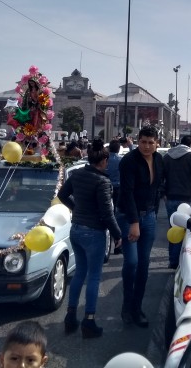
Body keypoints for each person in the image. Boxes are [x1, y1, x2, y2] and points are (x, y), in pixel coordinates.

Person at [58, 139, 122, 337]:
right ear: (104, 160)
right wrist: (118, 234)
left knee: (79, 274)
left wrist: (76, 209)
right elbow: (107, 212)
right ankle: (89, 320)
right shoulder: (102, 181)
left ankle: (70, 316)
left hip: (76, 228)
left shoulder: (77, 174)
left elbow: (62, 194)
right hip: (94, 231)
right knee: (94, 277)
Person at [117, 124, 163, 327]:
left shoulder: (160, 160)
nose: (146, 146)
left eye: (150, 143)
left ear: (157, 144)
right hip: (129, 217)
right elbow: (126, 193)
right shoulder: (129, 161)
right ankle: (126, 307)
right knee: (132, 263)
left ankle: (137, 308)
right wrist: (134, 222)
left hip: (150, 216)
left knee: (144, 265)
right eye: (143, 142)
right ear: (138, 141)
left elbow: (159, 186)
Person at [161, 134, 191, 269]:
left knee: (173, 228)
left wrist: (163, 193)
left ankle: (172, 261)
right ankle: (182, 262)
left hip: (170, 197)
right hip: (186, 198)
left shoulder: (167, 156)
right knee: (186, 230)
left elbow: (161, 177)